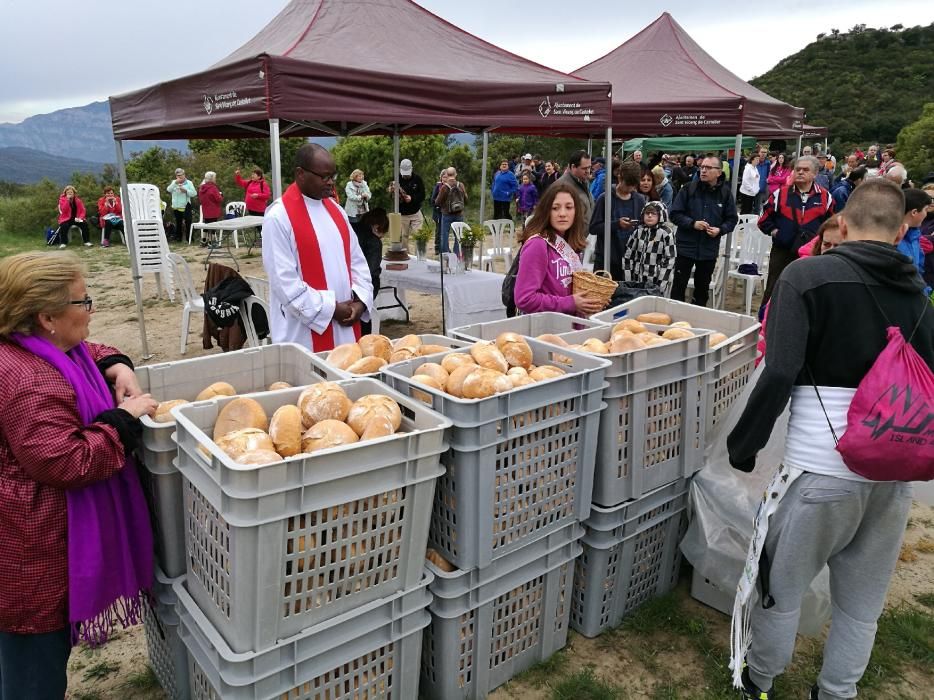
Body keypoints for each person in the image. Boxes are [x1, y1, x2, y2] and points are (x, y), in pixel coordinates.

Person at [727, 179, 934, 700]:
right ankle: (838, 691)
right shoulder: (921, 295)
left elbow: (780, 371)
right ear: (903, 226)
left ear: (842, 224)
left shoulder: (807, 276)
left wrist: (744, 445)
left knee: (781, 589)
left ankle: (762, 681)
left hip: (819, 469)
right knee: (861, 603)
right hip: (892, 474)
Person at [0, 251, 158, 699]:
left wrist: (118, 364)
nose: (91, 309)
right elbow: (68, 462)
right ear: (47, 316)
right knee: (33, 668)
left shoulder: (29, 344)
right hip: (32, 550)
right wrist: (122, 419)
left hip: (30, 540)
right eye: (82, 302)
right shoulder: (28, 381)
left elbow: (88, 349)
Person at [261, 143, 374, 351]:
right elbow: (283, 282)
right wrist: (331, 309)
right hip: (304, 334)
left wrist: (360, 303)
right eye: (324, 177)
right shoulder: (278, 217)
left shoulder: (336, 211)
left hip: (346, 326)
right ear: (300, 174)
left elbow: (358, 262)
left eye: (333, 176)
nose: (331, 183)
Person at [513, 183, 602, 317]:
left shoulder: (572, 244)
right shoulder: (537, 245)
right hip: (544, 331)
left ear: (576, 211)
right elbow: (524, 299)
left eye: (569, 207)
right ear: (546, 211)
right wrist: (570, 303)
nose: (562, 214)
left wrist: (590, 301)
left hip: (569, 328)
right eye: (555, 208)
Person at [759, 156, 835, 308]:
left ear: (815, 174)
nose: (800, 172)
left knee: (806, 290)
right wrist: (777, 233)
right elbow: (763, 220)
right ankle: (764, 325)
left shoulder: (826, 197)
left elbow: (831, 225)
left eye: (805, 170)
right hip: (782, 251)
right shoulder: (780, 194)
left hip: (811, 253)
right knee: (774, 288)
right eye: (797, 169)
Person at [669, 156, 738, 306]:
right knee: (678, 288)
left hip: (708, 249)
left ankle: (698, 321)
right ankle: (674, 324)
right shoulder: (688, 189)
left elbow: (732, 219)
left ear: (719, 172)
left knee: (702, 291)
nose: (704, 170)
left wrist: (720, 230)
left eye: (708, 168)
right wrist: (692, 223)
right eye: (702, 167)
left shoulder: (725, 194)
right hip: (686, 248)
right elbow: (674, 214)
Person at [591, 162, 647, 281]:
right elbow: (593, 228)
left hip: (630, 261)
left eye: (633, 186)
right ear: (619, 177)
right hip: (606, 260)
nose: (630, 189)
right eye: (627, 185)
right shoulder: (604, 198)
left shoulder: (640, 200)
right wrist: (617, 224)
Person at [622, 201, 677, 294]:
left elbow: (670, 259)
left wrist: (661, 285)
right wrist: (628, 279)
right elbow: (628, 255)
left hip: (656, 280)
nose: (650, 216)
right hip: (637, 279)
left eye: (654, 214)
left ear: (661, 215)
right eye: (647, 213)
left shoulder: (666, 233)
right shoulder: (638, 231)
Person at [351, 208, 388, 335]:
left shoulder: (350, 228)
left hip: (342, 286)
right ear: (377, 227)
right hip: (360, 293)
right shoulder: (373, 242)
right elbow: (372, 272)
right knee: (362, 331)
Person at [897, 188, 932, 290]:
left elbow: (919, 270)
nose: (926, 214)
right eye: (925, 210)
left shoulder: (914, 235)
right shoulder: (893, 238)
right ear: (914, 212)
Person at [389, 158, 426, 239]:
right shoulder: (396, 179)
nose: (406, 175)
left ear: (411, 169)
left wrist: (412, 198)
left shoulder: (417, 179)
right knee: (404, 237)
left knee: (419, 236)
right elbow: (391, 197)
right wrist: (393, 193)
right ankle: (405, 252)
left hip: (415, 213)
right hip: (402, 214)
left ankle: (418, 251)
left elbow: (422, 195)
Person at [434, 167, 468, 254]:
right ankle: (457, 253)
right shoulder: (461, 185)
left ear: (447, 175)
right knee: (458, 235)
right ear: (456, 174)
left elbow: (437, 202)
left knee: (444, 235)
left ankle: (446, 253)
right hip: (459, 214)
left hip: (446, 214)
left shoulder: (445, 187)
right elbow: (466, 200)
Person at [556, 150, 594, 225]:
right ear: (573, 167)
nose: (588, 171)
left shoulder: (583, 181)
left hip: (585, 235)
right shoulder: (561, 186)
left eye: (589, 167)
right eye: (584, 168)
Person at [166, 168, 196, 243]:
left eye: (181, 175)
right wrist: (175, 183)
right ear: (176, 176)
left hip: (186, 205)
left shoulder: (189, 183)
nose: (180, 177)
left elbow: (194, 193)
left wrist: (186, 191)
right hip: (176, 206)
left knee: (188, 222)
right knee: (178, 223)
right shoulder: (174, 182)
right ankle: (178, 239)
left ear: (184, 175)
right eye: (178, 175)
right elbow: (169, 190)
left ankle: (189, 239)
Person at [197, 172, 224, 247]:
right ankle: (211, 242)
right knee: (213, 226)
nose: (215, 179)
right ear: (211, 179)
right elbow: (219, 199)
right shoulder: (213, 188)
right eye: (215, 178)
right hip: (213, 209)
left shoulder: (201, 188)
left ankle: (204, 240)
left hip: (205, 209)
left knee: (207, 224)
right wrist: (221, 195)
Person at [430, 170, 444, 255]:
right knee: (438, 230)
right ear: (441, 177)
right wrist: (438, 205)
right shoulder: (438, 186)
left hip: (446, 213)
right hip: (438, 213)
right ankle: (437, 248)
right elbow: (432, 200)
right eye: (444, 177)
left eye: (447, 177)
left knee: (444, 231)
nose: (445, 179)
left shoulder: (449, 186)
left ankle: (444, 247)